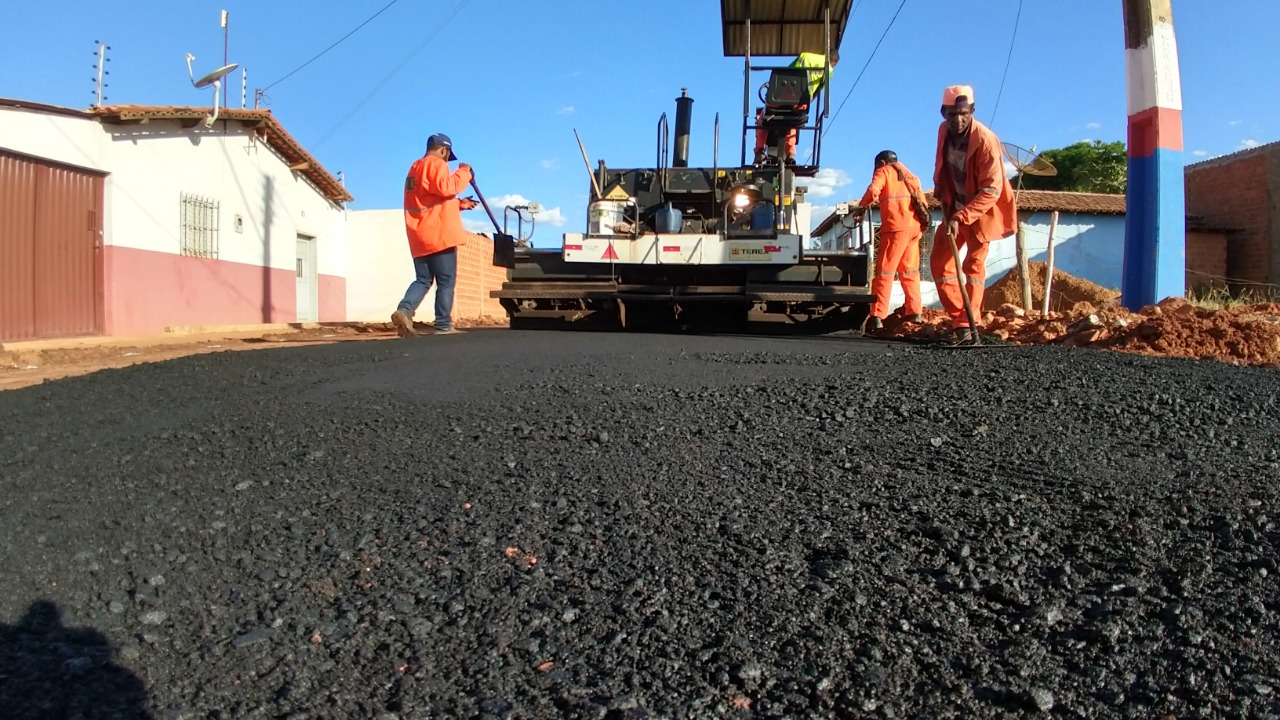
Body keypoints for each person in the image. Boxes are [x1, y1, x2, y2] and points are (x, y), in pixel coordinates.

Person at [930, 85, 1016, 340]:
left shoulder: (987, 142)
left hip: (980, 212)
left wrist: (963, 216)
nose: (958, 119)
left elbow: (991, 190)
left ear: (973, 111)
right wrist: (939, 186)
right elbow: (941, 161)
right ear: (943, 113)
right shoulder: (943, 131)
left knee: (973, 266)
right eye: (952, 114)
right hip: (953, 207)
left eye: (964, 113)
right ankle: (960, 318)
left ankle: (970, 322)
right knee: (938, 262)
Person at [391, 132, 479, 337]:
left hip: (419, 235)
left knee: (422, 279)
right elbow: (448, 187)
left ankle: (404, 311)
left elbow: (429, 201)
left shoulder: (414, 169)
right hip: (439, 236)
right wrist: (464, 171)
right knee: (446, 281)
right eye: (447, 155)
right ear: (443, 150)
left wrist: (459, 205)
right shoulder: (437, 164)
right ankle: (443, 324)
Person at [854, 150, 926, 331]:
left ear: (882, 162)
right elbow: (923, 203)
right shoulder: (912, 176)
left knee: (885, 272)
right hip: (914, 228)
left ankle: (877, 316)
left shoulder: (884, 171)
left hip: (896, 228)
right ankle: (915, 312)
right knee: (909, 271)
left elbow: (873, 190)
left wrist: (861, 208)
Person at [753, 49, 839, 166]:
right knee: (793, 120)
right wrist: (806, 101)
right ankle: (790, 153)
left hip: (778, 102)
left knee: (761, 119)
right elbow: (817, 92)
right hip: (799, 104)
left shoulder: (805, 56)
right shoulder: (829, 71)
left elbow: (786, 76)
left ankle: (759, 152)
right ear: (834, 62)